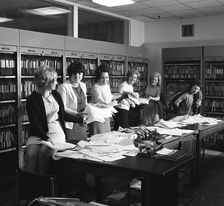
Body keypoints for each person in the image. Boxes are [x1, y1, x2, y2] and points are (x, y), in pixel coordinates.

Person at [25, 66, 82, 175]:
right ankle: (31, 186)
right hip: (38, 133)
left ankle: (43, 183)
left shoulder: (56, 94)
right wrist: (45, 138)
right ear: (46, 82)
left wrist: (79, 118)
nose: (57, 82)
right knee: (31, 154)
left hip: (55, 131)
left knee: (44, 152)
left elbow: (62, 114)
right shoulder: (32, 99)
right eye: (54, 80)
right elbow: (35, 123)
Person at [57, 61, 88, 141]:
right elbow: (63, 108)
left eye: (79, 73)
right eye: (75, 73)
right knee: (73, 148)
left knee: (84, 146)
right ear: (70, 74)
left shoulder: (83, 85)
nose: (77, 76)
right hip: (70, 123)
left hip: (81, 122)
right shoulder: (63, 87)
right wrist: (77, 113)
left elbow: (85, 103)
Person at [90, 63, 121, 135]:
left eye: (107, 77)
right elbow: (99, 100)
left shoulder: (107, 86)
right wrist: (110, 104)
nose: (105, 80)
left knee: (106, 137)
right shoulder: (96, 87)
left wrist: (121, 95)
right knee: (99, 137)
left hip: (106, 115)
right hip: (98, 117)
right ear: (98, 77)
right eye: (102, 78)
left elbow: (110, 97)